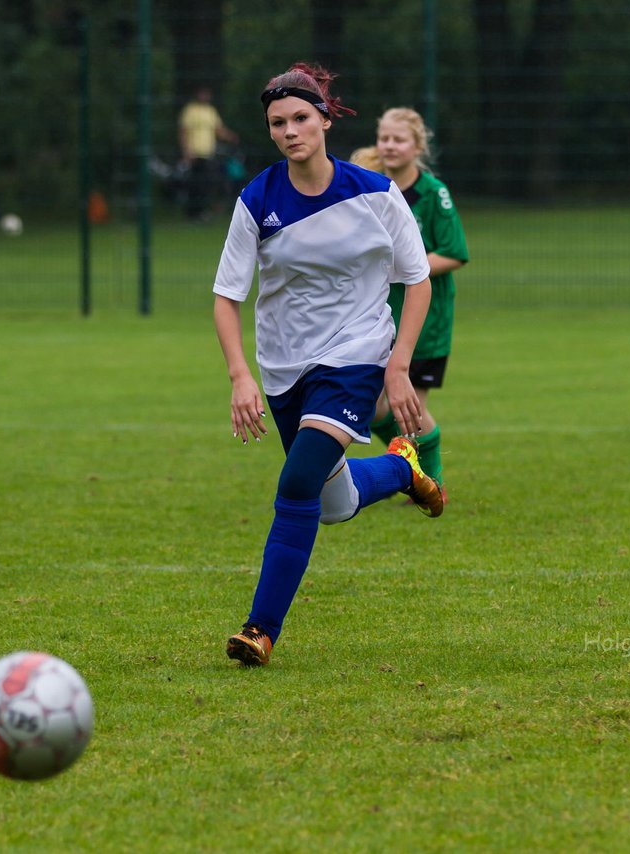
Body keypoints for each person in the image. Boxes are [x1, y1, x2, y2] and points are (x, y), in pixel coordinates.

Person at [213, 63, 444, 667]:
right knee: (334, 502)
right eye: (277, 123)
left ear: (324, 120)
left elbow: (417, 281)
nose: (290, 131)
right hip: (285, 367)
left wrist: (396, 368)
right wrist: (241, 375)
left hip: (356, 355)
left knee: (295, 484)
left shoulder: (373, 192)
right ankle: (401, 468)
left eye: (300, 119)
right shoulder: (257, 199)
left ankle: (259, 630)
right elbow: (227, 296)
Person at [361, 108, 469, 501]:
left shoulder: (433, 193)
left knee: (409, 410)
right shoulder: (371, 189)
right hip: (380, 317)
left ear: (417, 146)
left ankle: (429, 477)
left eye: (399, 139)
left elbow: (455, 252)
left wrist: (406, 268)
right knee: (372, 406)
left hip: (427, 320)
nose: (389, 146)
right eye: (384, 138)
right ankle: (406, 468)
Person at [179, 86, 238, 220]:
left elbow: (218, 129)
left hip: (208, 153)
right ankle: (193, 212)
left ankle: (201, 211)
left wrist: (231, 137)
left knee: (206, 184)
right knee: (195, 184)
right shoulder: (190, 110)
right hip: (195, 154)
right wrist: (186, 151)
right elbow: (183, 131)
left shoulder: (211, 111)